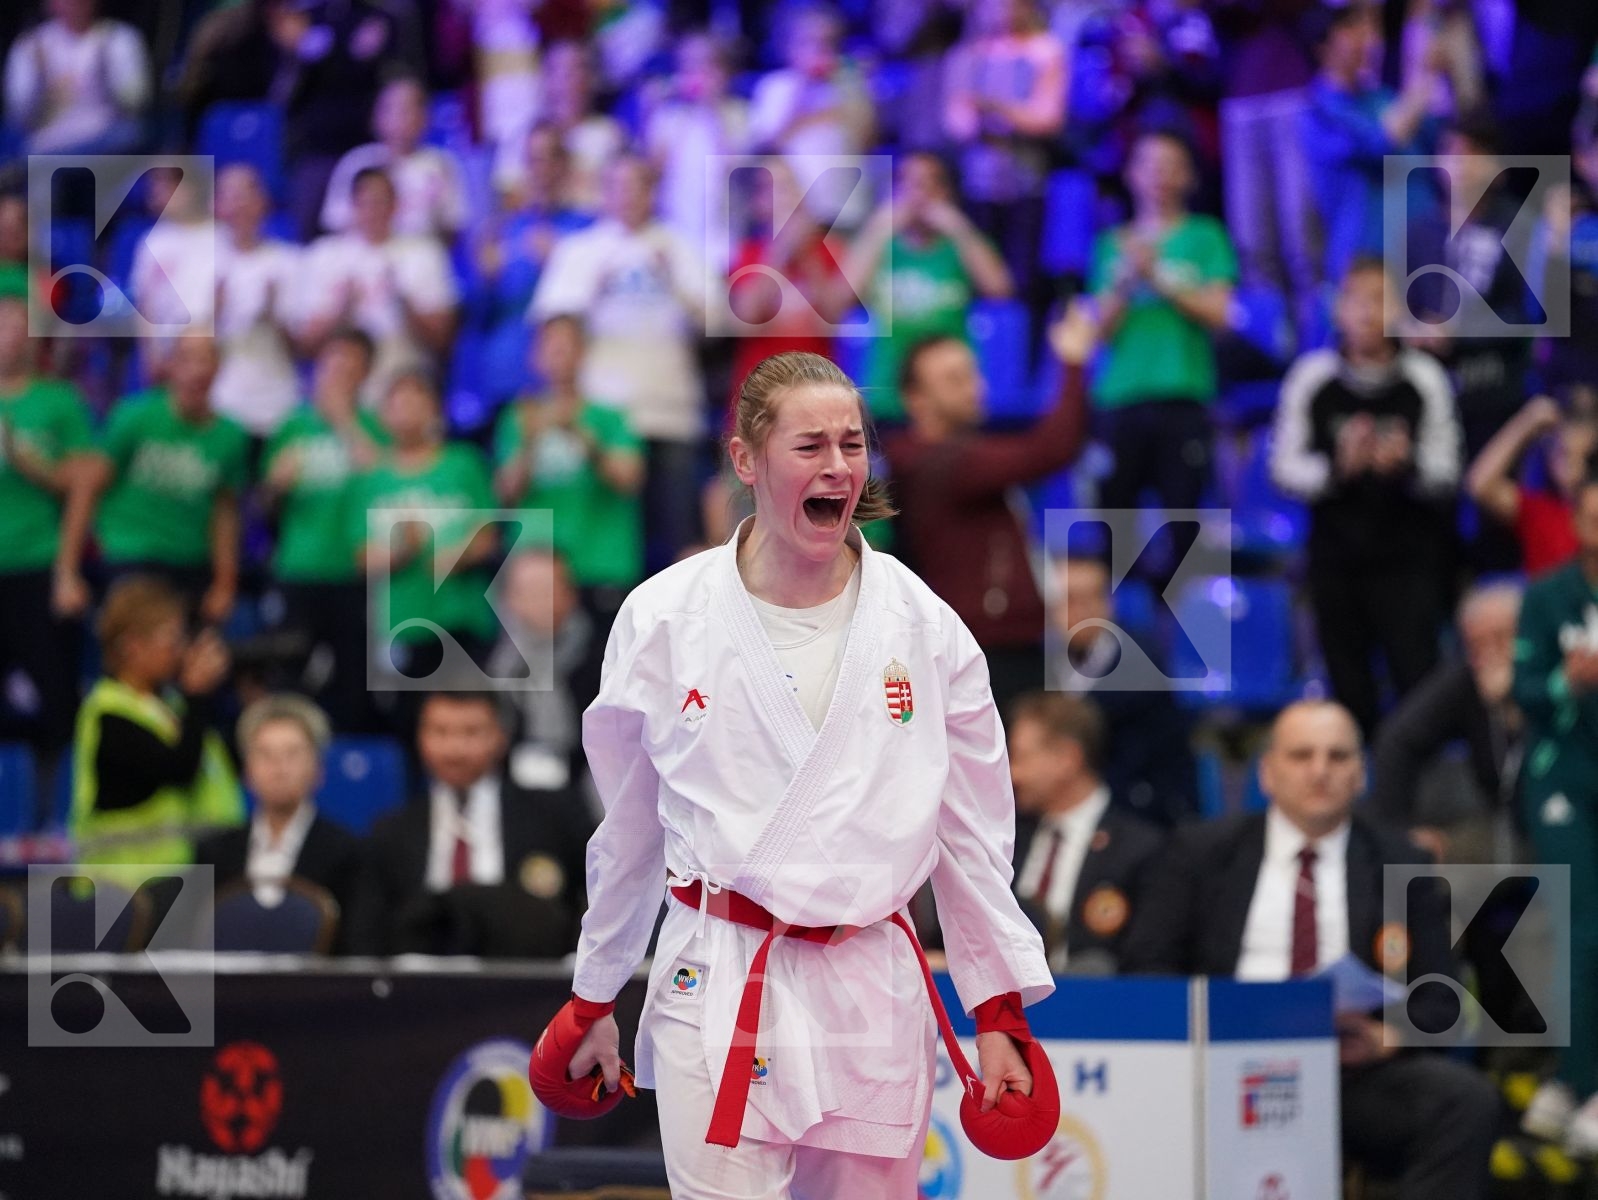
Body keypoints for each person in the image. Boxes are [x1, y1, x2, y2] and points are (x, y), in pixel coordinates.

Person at [563, 351, 1053, 1196]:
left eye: (853, 444)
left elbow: (971, 837)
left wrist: (998, 1010)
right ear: (747, 460)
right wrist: (593, 993)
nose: (839, 468)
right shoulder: (663, 619)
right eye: (810, 446)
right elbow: (633, 828)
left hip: (869, 982)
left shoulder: (926, 627)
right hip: (716, 969)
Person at [1122, 699, 1500, 1200]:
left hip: (1345, 1075)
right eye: (1302, 756)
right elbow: (1145, 966)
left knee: (1466, 1103)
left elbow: (1443, 1001)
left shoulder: (1400, 863)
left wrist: (1384, 1037)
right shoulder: (1200, 852)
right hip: (1217, 1069)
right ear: (1268, 774)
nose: (1320, 771)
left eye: (1338, 757)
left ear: (1361, 774)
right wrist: (1215, 1025)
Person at [1271, 256, 1461, 738]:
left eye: (1380, 299)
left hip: (1409, 557)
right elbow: (1285, 467)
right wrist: (1339, 468)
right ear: (1338, 310)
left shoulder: (1424, 378)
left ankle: (1419, 797)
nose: (1367, 312)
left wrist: (1407, 465)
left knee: (1419, 684)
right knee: (1348, 691)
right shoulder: (1313, 378)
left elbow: (1447, 469)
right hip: (1336, 559)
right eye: (1356, 299)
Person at [883, 302, 1091, 714]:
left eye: (972, 374)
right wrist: (1072, 361)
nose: (973, 387)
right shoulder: (932, 462)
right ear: (916, 400)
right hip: (984, 653)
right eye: (953, 379)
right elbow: (1052, 449)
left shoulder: (959, 457)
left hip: (1007, 647)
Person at [530, 154, 708, 571]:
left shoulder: (680, 244)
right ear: (604, 192)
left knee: (680, 546)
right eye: (618, 186)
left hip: (671, 412)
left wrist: (676, 284)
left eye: (638, 185)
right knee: (614, 542)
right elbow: (553, 329)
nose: (628, 195)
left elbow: (716, 324)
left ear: (653, 191)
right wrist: (592, 291)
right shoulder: (579, 249)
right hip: (602, 417)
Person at [1088, 128, 1236, 580]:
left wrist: (1159, 277)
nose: (1160, 177)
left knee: (1185, 530)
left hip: (1183, 397)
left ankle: (1186, 640)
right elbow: (1099, 330)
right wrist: (1125, 281)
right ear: (1132, 175)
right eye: (1150, 165)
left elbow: (1220, 312)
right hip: (1120, 400)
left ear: (1189, 177)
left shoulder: (1206, 235)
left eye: (1171, 166)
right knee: (1113, 533)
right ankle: (1117, 637)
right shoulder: (1110, 244)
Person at [348, 689, 595, 957]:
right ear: (420, 737)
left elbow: (595, 900)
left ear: (500, 737)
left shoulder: (553, 817)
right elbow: (366, 940)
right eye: (440, 732)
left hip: (530, 982)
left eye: (471, 732)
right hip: (419, 989)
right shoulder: (390, 833)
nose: (454, 749)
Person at [1513, 474, 1598, 1154]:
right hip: (1566, 774)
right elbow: (1523, 692)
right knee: (1579, 924)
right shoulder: (1546, 597)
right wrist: (1565, 682)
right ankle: (1577, 1079)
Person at [71, 576, 244, 886]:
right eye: (171, 639)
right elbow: (177, 770)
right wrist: (197, 696)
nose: (179, 651)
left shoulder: (171, 707)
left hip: (177, 885)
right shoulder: (109, 714)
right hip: (121, 895)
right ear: (131, 647)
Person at [66, 337, 249, 624]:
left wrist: (225, 583)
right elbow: (87, 488)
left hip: (190, 562)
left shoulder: (230, 435)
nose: (196, 370)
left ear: (218, 369)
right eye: (187, 359)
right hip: (131, 558)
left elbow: (224, 512)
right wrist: (67, 573)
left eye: (205, 359)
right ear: (171, 366)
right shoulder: (133, 417)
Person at [261, 328, 387, 732]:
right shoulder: (292, 426)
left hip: (355, 575)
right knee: (287, 678)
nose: (338, 375)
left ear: (365, 375)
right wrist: (275, 487)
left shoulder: (375, 427)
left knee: (354, 686)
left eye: (351, 367)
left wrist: (344, 422)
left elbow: (386, 481)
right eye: (332, 364)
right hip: (298, 570)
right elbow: (264, 507)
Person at [0, 283, 94, 790]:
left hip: (38, 564)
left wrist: (18, 456)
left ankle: (56, 810)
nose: (8, 336)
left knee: (58, 701)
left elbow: (78, 485)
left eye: (18, 326)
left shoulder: (59, 401)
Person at [849, 152, 1014, 423]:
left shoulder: (962, 247)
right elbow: (838, 301)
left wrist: (959, 228)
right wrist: (876, 231)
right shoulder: (879, 248)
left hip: (949, 399)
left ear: (945, 192)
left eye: (927, 184)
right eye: (908, 184)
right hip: (886, 395)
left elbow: (1000, 290)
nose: (918, 196)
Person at [1007, 691, 1164, 975]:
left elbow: (1148, 963)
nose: (1012, 773)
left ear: (1067, 759)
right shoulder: (1006, 840)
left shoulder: (1141, 850)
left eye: (1021, 757)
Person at [492, 315, 645, 602]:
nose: (558, 354)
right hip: (537, 568)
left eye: (567, 345)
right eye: (550, 346)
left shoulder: (609, 416)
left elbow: (630, 480)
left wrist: (581, 435)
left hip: (601, 563)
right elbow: (505, 493)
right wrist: (529, 442)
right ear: (535, 356)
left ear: (583, 353)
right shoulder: (518, 417)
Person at [195, 694, 364, 952]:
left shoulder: (347, 853)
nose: (278, 767)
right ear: (246, 771)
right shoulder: (215, 851)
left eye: (292, 754)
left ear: (318, 770)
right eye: (265, 754)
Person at [1044, 555, 1202, 826]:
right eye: (1069, 599)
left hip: (1139, 815)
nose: (1080, 610)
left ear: (1108, 603)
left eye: (1091, 597)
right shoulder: (1038, 665)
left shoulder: (1141, 665)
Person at [1370, 581, 1525, 852]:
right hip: (1502, 826)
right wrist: (1398, 833)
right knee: (1417, 880)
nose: (1490, 653)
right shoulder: (1467, 678)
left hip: (1571, 821)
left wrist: (1517, 705)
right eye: (1476, 644)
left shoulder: (1566, 678)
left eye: (1502, 638)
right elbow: (1396, 742)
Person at [296, 166, 459, 408]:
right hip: (345, 381)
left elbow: (442, 338)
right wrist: (341, 310)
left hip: (403, 379)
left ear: (396, 205)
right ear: (353, 206)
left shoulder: (424, 252)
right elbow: (306, 345)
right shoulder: (325, 255)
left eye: (381, 202)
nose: (374, 211)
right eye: (366, 202)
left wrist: (403, 301)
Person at [320, 76, 470, 241]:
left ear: (424, 117)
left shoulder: (441, 164)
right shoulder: (359, 162)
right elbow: (336, 222)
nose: (399, 117)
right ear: (376, 116)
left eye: (408, 109)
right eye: (390, 108)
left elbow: (453, 227)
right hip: (364, 259)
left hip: (420, 257)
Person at [1466, 394, 1598, 577]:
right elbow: (1479, 485)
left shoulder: (1593, 510)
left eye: (1586, 457)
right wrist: (1527, 422)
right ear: (1550, 456)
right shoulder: (1538, 510)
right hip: (1546, 604)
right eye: (1565, 456)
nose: (1576, 469)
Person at [2, 0, 150, 156]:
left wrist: (106, 71)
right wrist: (38, 81)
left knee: (131, 133)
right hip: (49, 142)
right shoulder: (30, 45)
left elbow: (137, 102)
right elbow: (19, 116)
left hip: (105, 135)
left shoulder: (119, 38)